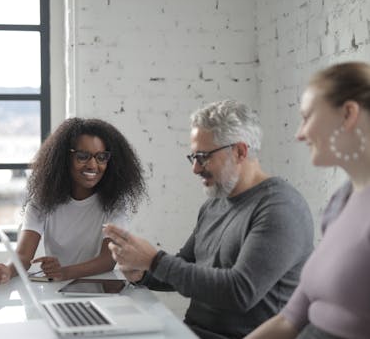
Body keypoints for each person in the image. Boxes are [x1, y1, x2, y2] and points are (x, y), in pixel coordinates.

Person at [104, 100, 314, 339]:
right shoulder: (215, 203)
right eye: (193, 157)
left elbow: (239, 292)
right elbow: (186, 265)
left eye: (203, 157)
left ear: (240, 152)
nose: (195, 168)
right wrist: (142, 273)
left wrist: (153, 260)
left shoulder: (280, 208)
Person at [245, 62, 370, 339]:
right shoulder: (341, 201)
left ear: (348, 113)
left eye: (307, 117)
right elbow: (291, 318)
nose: (299, 133)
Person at [0, 117, 146, 285]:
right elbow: (23, 256)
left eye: (101, 157)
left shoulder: (115, 203)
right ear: (63, 159)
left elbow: (108, 259)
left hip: (101, 289)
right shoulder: (43, 201)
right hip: (58, 288)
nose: (93, 165)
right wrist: (7, 271)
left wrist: (64, 272)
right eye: (83, 156)